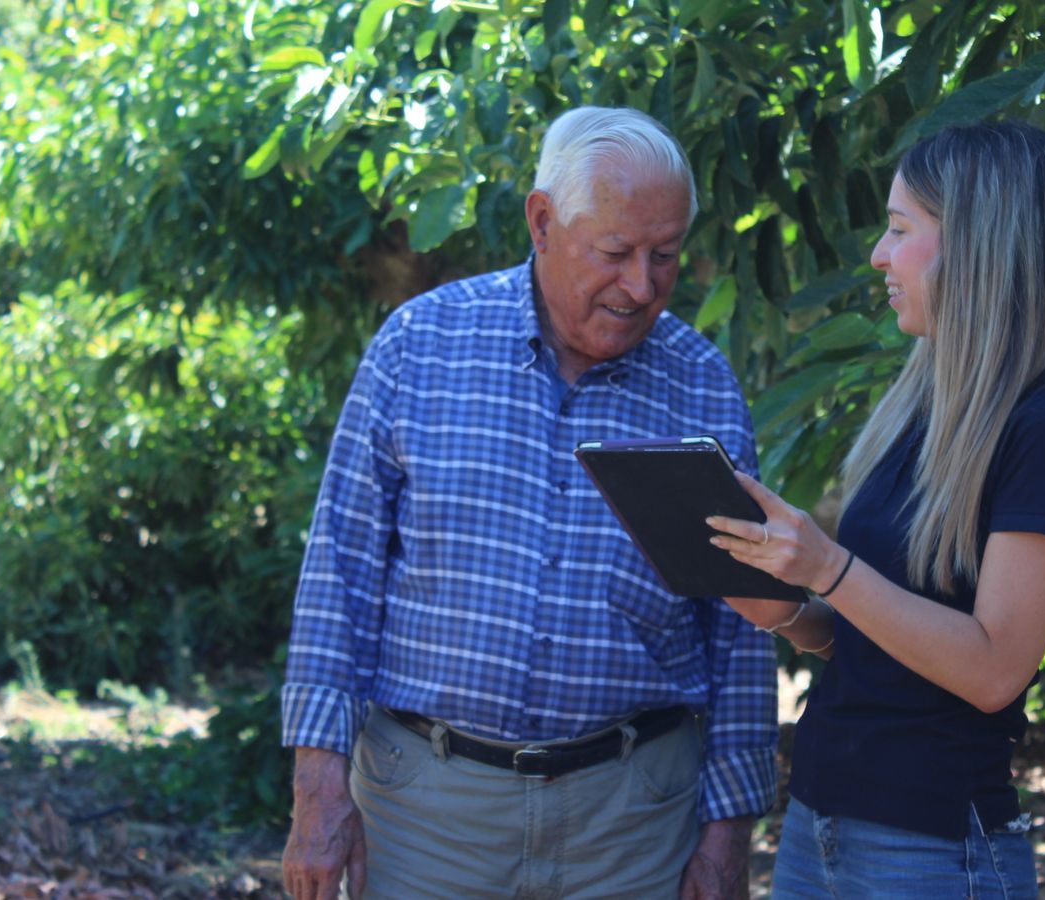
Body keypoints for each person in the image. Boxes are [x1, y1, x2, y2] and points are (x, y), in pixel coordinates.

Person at [280, 106, 778, 900]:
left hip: (632, 823)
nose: (641, 285)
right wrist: (318, 789)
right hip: (426, 817)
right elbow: (338, 577)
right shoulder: (420, 346)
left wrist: (727, 833)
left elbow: (742, 630)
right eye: (615, 252)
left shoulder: (702, 384)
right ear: (542, 222)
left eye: (666, 256)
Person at [708, 120, 1045, 898]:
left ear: (981, 245)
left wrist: (830, 566)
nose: (878, 256)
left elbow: (994, 669)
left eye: (899, 230)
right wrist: (787, 610)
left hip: (932, 849)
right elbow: (882, 641)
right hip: (820, 824)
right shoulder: (923, 407)